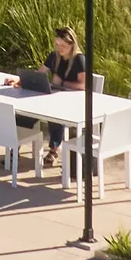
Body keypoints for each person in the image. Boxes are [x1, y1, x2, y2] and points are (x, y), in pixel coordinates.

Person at [38, 27, 87, 162]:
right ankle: (15, 145)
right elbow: (39, 73)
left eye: (63, 46)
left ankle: (54, 149)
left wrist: (62, 83)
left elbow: (83, 86)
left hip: (74, 102)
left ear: (72, 44)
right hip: (55, 97)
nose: (60, 48)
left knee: (54, 114)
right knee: (25, 112)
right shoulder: (54, 57)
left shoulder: (79, 60)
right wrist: (21, 80)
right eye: (57, 44)